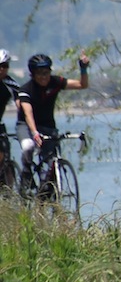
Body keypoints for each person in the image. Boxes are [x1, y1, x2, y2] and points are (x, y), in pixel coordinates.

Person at [17, 52, 91, 191]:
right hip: (26, 126)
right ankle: (26, 180)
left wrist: (83, 69)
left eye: (46, 72)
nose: (44, 76)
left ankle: (46, 194)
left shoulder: (55, 82)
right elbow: (28, 113)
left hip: (48, 126)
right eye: (39, 73)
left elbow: (82, 85)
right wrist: (34, 132)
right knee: (28, 146)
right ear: (32, 74)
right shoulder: (26, 89)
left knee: (52, 165)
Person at [0, 50, 19, 187]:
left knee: (5, 156)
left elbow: (22, 103)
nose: (2, 69)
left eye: (5, 65)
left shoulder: (10, 83)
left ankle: (9, 192)